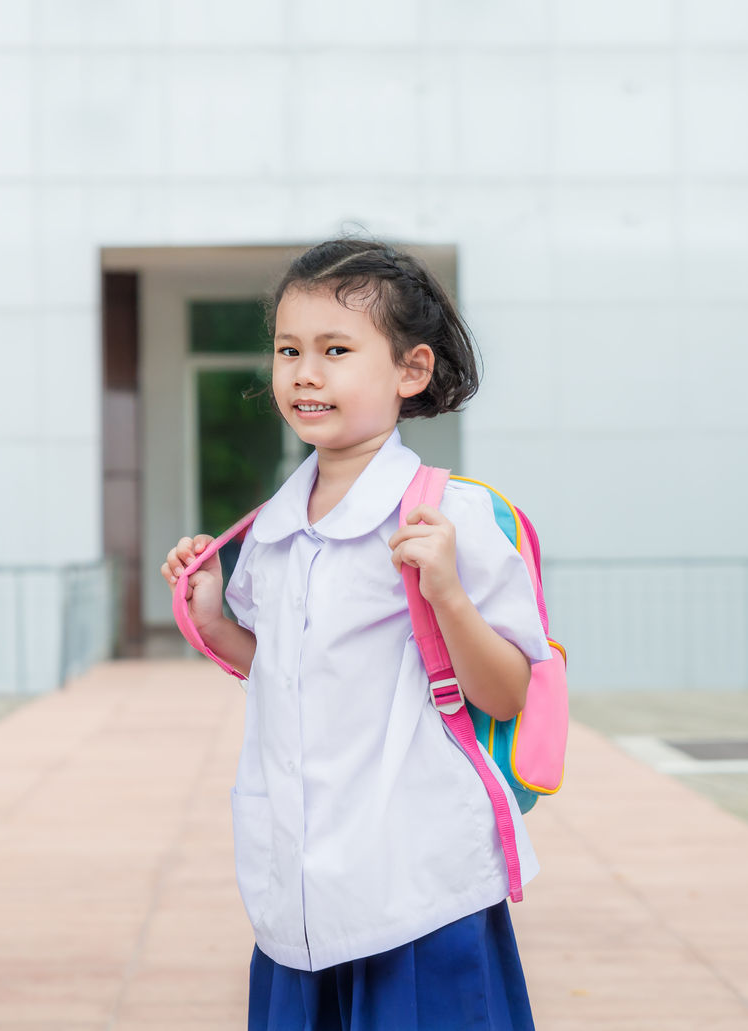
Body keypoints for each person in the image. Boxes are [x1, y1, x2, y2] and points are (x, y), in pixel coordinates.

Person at [160, 238, 552, 1031]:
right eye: (289, 350)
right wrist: (212, 621)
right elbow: (285, 671)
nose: (306, 372)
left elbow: (506, 692)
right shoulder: (268, 533)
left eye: (336, 350)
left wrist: (446, 591)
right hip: (299, 894)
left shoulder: (452, 517)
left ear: (410, 371)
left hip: (417, 890)